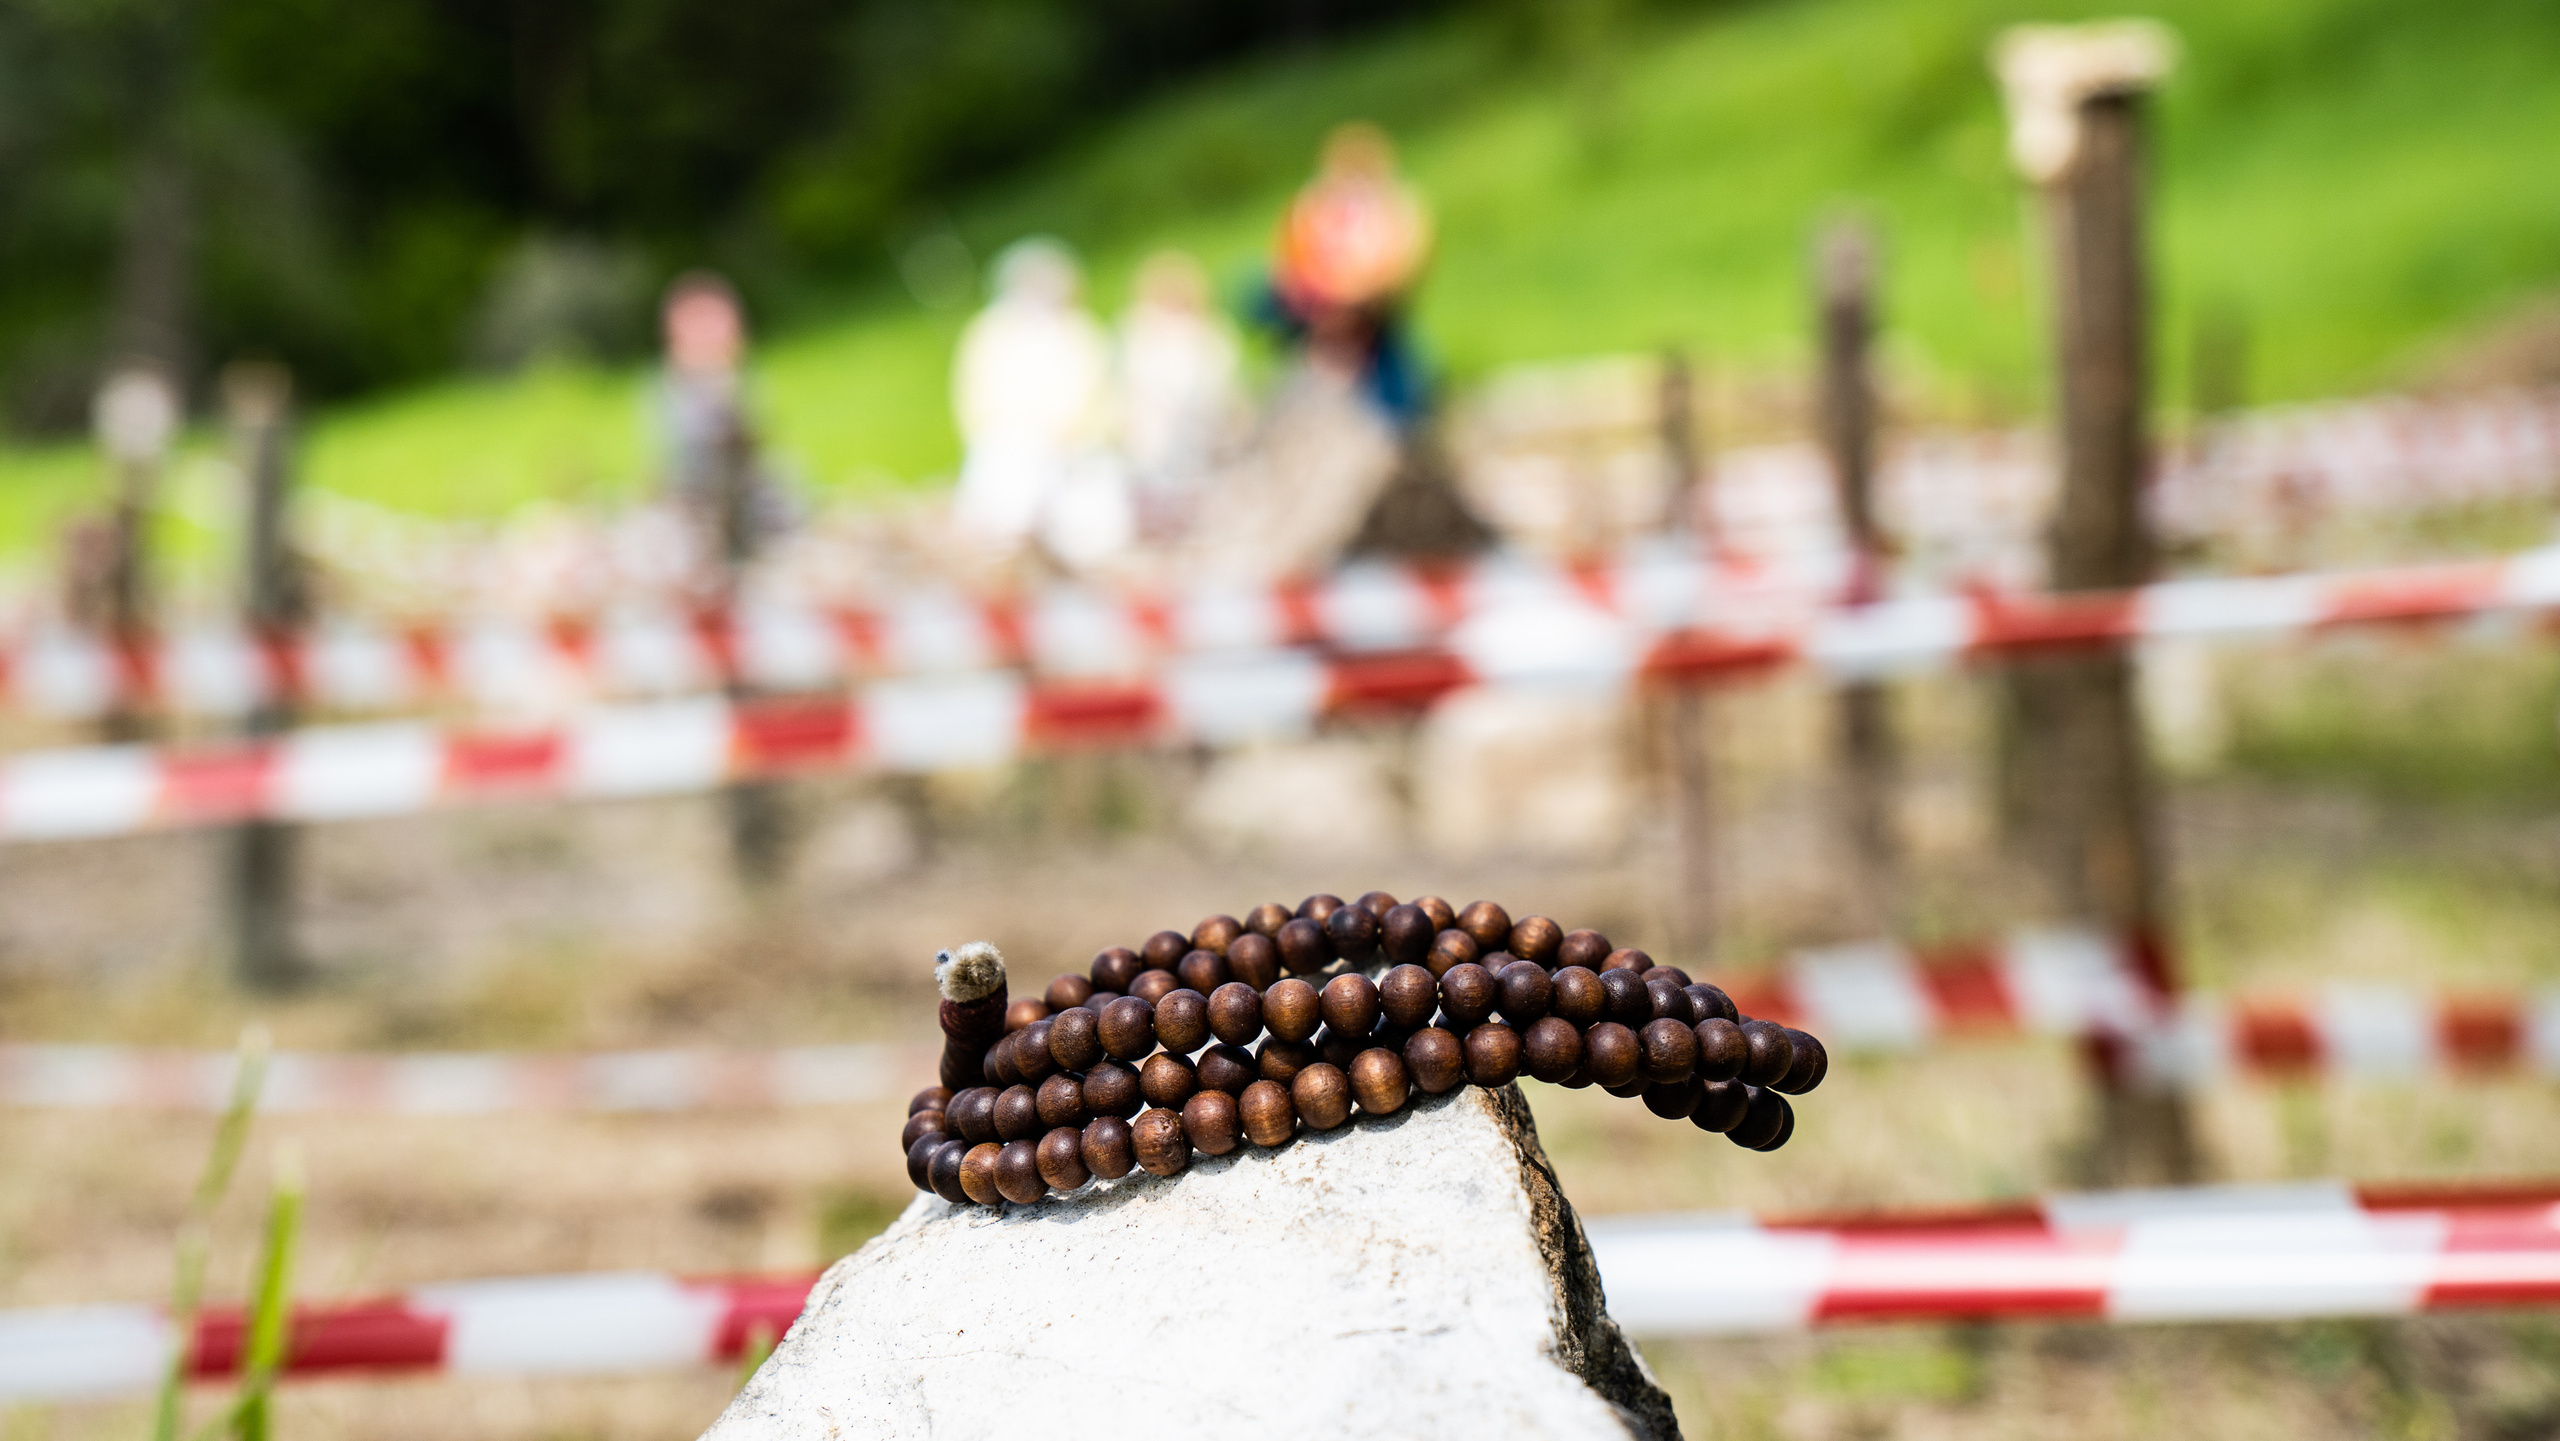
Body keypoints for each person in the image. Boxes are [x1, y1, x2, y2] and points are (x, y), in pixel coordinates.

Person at [950, 238, 1129, 568]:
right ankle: (1005, 553)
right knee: (1009, 473)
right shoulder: (991, 332)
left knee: (1088, 495)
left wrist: (1067, 434)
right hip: (1011, 442)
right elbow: (977, 401)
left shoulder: (1080, 331)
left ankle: (1084, 556)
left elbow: (1097, 395)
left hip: (1075, 446)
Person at [1264, 122, 1434, 429]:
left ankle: (1402, 417)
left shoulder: (1393, 208)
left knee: (1390, 367)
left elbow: (1403, 262)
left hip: (1370, 304)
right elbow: (1291, 255)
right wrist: (1318, 296)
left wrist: (1356, 294)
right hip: (1319, 301)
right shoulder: (1315, 207)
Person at [655, 272, 786, 589]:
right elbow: (680, 466)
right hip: (696, 510)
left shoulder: (743, 383)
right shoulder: (669, 393)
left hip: (753, 507)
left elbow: (762, 456)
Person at [1117, 250, 1241, 540]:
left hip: (1197, 432)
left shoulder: (1210, 336)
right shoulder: (1138, 334)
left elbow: (1217, 388)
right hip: (1149, 435)